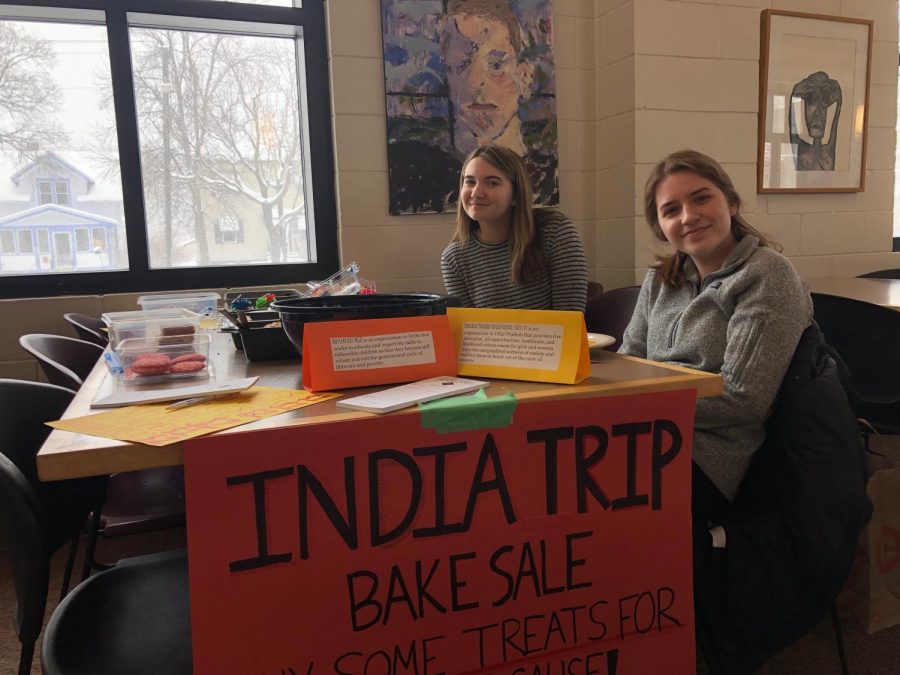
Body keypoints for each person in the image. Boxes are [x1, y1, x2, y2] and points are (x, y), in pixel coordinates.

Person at [618, 149, 813, 522]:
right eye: (671, 210)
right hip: (638, 434)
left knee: (574, 496)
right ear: (661, 227)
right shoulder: (659, 280)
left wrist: (635, 404)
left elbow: (742, 400)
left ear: (732, 203)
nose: (688, 217)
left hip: (708, 457)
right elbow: (628, 361)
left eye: (701, 198)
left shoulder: (767, 274)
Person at [440, 144, 586, 310]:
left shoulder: (556, 231)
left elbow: (570, 318)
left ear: (516, 195)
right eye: (470, 182)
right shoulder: (453, 258)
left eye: (492, 183)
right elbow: (469, 331)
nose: (476, 193)